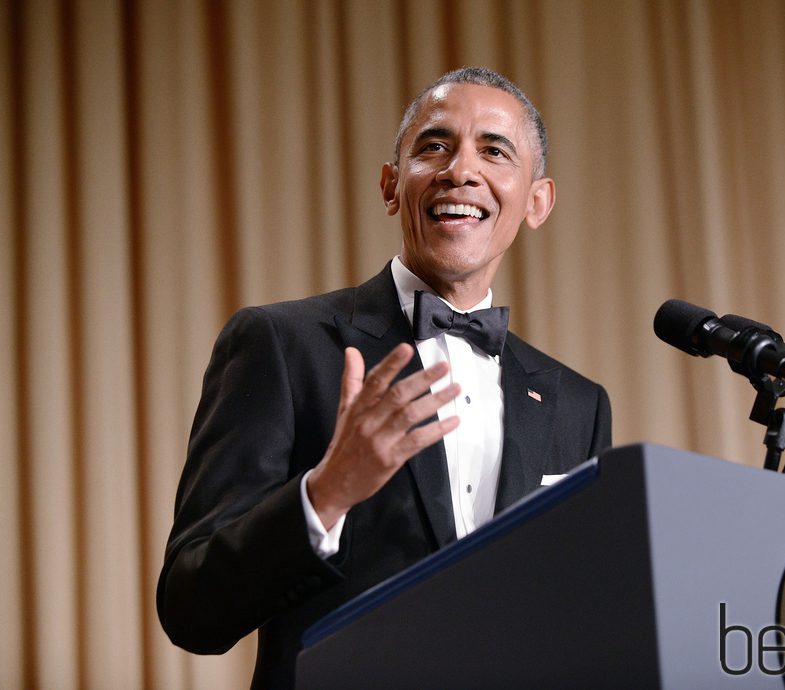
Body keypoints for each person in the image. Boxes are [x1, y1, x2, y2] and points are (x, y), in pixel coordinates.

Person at [157, 67, 612, 688]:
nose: (461, 170)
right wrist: (327, 492)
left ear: (537, 201)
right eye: (434, 146)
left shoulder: (576, 404)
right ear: (391, 185)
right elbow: (191, 608)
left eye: (495, 151)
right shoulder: (281, 344)